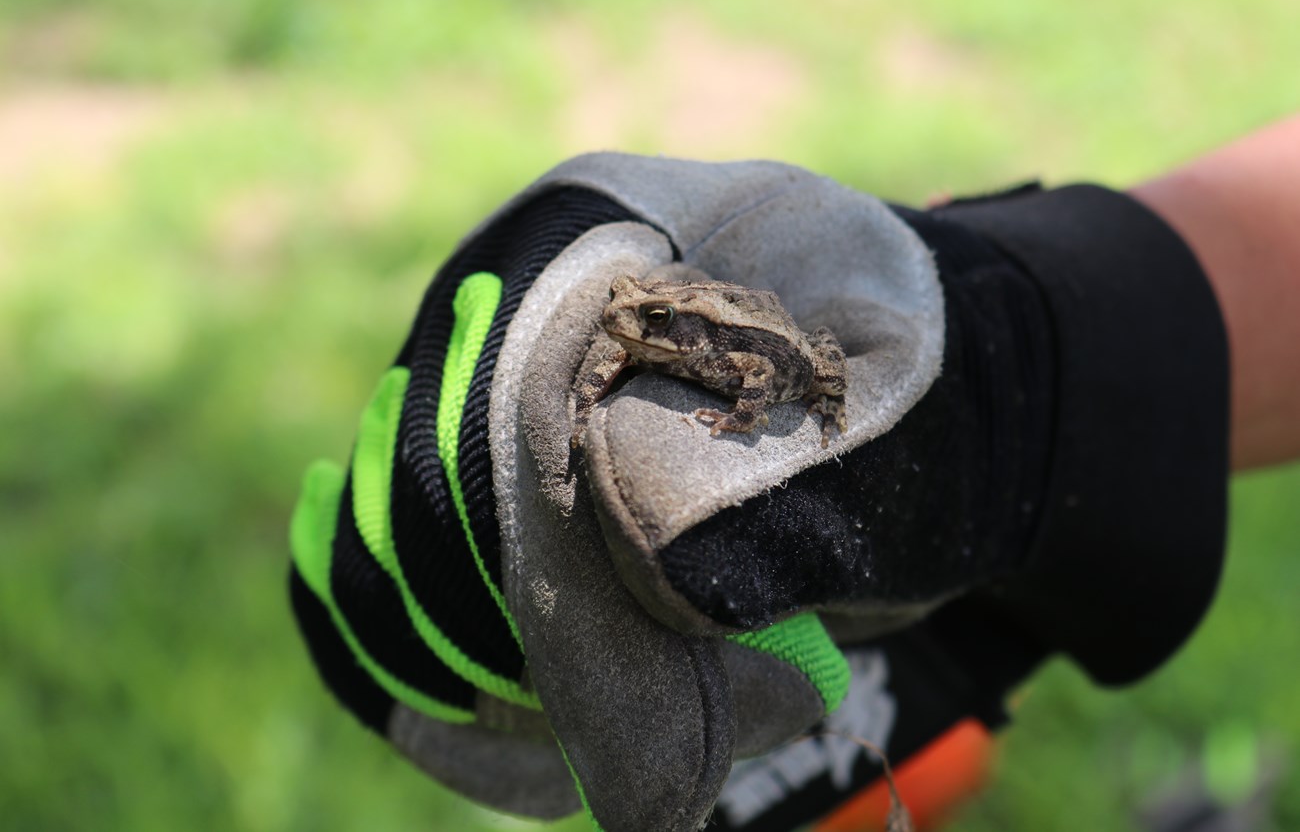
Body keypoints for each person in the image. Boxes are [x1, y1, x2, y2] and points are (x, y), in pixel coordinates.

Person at [286, 115, 1298, 832]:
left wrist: (1025, 368)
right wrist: (1071, 354)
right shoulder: (653, 327)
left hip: (777, 367)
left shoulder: (724, 349)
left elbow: (762, 364)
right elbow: (621, 342)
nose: (640, 331)